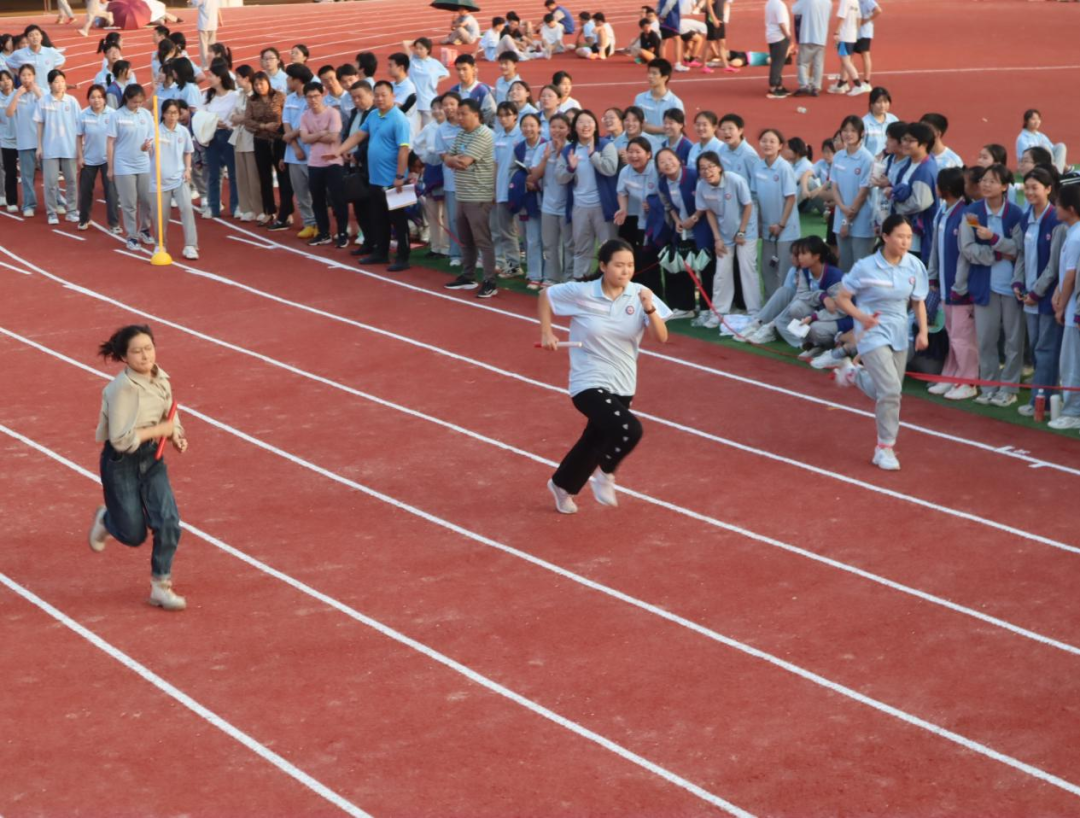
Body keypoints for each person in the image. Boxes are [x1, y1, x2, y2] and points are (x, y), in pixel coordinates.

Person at [539, 238, 671, 514]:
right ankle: (606, 474)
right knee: (629, 429)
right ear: (603, 266)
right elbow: (545, 296)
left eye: (630, 265)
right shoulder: (583, 292)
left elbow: (661, 337)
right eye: (619, 265)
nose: (626, 271)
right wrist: (546, 331)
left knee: (595, 439)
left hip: (623, 382)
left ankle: (562, 485)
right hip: (587, 381)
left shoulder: (640, 293)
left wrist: (649, 307)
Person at [89, 324, 189, 611]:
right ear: (124, 356)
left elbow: (170, 412)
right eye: (137, 351)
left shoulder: (162, 379)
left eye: (149, 348)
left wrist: (176, 435)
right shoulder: (122, 389)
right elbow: (120, 440)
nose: (145, 356)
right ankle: (107, 521)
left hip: (153, 459)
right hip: (122, 463)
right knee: (133, 534)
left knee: (168, 521)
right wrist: (162, 428)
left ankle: (161, 585)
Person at [833, 215, 929, 471]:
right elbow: (842, 298)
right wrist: (862, 317)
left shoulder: (915, 266)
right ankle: (884, 448)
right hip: (871, 334)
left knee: (885, 391)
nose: (905, 241)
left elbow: (918, 301)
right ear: (885, 237)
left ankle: (854, 375)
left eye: (909, 237)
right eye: (900, 236)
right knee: (890, 391)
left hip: (900, 333)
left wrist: (923, 332)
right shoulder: (866, 267)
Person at [955, 163, 1025, 407]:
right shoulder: (973, 212)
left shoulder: (1016, 214)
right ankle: (989, 386)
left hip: (1012, 286)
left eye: (992, 181)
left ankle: (1009, 388)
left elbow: (1018, 249)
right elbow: (967, 249)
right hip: (985, 286)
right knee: (986, 339)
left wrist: (994, 240)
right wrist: (996, 254)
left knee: (1014, 341)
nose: (985, 184)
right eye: (984, 180)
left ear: (1005, 186)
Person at [332, 80, 412, 270]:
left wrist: (400, 176)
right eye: (377, 95)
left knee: (398, 220)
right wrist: (338, 151)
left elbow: (404, 150)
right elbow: (358, 135)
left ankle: (403, 257)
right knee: (379, 218)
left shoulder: (399, 119)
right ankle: (381, 253)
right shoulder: (374, 115)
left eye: (384, 95)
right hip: (375, 178)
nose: (379, 98)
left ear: (393, 96)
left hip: (395, 180)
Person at [1013, 166, 1064, 417]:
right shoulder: (1026, 218)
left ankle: (1039, 401)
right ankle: (1048, 396)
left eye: (1035, 187)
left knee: (1045, 350)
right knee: (1036, 349)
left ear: (1048, 189)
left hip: (1045, 299)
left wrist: (1036, 292)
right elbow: (1022, 254)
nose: (1030, 192)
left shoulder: (1056, 220)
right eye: (1027, 186)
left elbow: (1054, 266)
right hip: (1029, 297)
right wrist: (1018, 283)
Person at [926, 166, 978, 401]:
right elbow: (937, 247)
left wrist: (960, 285)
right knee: (951, 333)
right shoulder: (944, 212)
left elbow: (967, 255)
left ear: (943, 189)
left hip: (960, 289)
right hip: (945, 287)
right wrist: (933, 275)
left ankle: (968, 380)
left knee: (962, 336)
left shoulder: (966, 215)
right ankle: (951, 375)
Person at [693, 150, 758, 323]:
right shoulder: (701, 185)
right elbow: (709, 211)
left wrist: (742, 231)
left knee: (747, 269)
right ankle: (720, 312)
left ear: (720, 168)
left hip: (746, 231)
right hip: (724, 232)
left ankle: (754, 311)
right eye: (702, 168)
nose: (707, 171)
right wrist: (717, 238)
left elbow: (748, 205)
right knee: (721, 271)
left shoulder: (735, 180)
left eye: (711, 166)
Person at [557, 109, 619, 281]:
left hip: (603, 207)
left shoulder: (606, 145)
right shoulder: (568, 151)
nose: (586, 126)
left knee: (609, 249)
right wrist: (570, 168)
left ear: (595, 126)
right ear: (574, 127)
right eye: (581, 122)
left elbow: (610, 169)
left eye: (589, 122)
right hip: (580, 207)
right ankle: (579, 284)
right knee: (582, 249)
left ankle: (610, 284)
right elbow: (560, 178)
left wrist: (593, 155)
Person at [443, 98, 498, 296]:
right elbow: (448, 158)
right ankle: (468, 275)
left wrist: (454, 160)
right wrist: (452, 160)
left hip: (478, 195)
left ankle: (490, 280)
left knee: (483, 240)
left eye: (463, 114)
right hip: (462, 194)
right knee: (465, 239)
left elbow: (463, 161)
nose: (459, 118)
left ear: (476, 115)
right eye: (458, 114)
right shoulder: (461, 134)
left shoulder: (484, 134)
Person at [107, 84, 155, 251]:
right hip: (123, 165)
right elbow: (111, 142)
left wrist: (148, 148)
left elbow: (151, 138)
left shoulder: (146, 115)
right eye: (135, 102)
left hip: (144, 164)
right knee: (129, 203)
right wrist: (111, 168)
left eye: (140, 102)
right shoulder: (117, 116)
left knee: (147, 200)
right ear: (127, 98)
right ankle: (132, 236)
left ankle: (145, 229)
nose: (138, 105)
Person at [754, 128, 800, 299]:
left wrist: (781, 224)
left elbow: (790, 198)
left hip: (785, 229)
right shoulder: (757, 166)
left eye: (772, 141)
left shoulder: (784, 168)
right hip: (767, 229)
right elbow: (755, 198)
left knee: (785, 271)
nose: (767, 144)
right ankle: (771, 308)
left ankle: (786, 308)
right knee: (767, 269)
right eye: (764, 140)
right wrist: (758, 225)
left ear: (780, 146)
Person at [1048, 185, 1080, 431]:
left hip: (1073, 313)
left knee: (1071, 364)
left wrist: (1061, 307)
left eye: (1058, 203)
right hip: (1071, 308)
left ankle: (1072, 412)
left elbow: (1071, 276)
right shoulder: (1073, 233)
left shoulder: (1077, 236)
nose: (1055, 207)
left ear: (1070, 209)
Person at [150, 98, 198, 259]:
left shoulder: (183, 131)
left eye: (175, 113)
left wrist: (188, 169)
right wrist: (146, 147)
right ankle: (160, 244)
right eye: (169, 113)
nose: (172, 116)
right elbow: (146, 148)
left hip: (179, 178)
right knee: (160, 215)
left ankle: (191, 245)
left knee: (186, 209)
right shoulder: (155, 131)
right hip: (159, 181)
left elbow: (188, 151)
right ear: (163, 114)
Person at [530, 112, 573, 286]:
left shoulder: (572, 148)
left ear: (568, 130)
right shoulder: (543, 148)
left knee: (570, 246)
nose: (557, 131)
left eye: (561, 127)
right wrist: (546, 158)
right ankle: (551, 278)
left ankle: (569, 279)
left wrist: (562, 152)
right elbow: (534, 176)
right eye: (553, 127)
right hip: (548, 205)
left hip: (568, 206)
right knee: (550, 244)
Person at [33, 68, 79, 227]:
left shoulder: (72, 101)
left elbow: (79, 125)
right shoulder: (43, 101)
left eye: (62, 81)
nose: (60, 85)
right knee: (51, 182)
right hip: (50, 148)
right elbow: (39, 124)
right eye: (56, 82)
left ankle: (72, 211)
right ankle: (51, 212)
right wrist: (39, 146)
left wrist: (80, 147)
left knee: (72, 181)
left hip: (69, 147)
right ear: (49, 84)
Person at [888, 122, 939, 263]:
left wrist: (895, 205)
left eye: (910, 141)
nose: (904, 143)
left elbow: (919, 203)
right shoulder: (911, 163)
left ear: (924, 144)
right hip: (905, 231)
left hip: (915, 238)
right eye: (904, 139)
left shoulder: (926, 169)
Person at [277, 63, 317, 238]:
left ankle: (319, 223)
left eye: (288, 78)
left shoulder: (311, 98)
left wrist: (291, 135)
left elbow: (307, 122)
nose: (286, 80)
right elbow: (285, 120)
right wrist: (293, 144)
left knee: (315, 191)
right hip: (293, 153)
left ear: (297, 79)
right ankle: (309, 223)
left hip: (311, 152)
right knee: (300, 192)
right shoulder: (290, 98)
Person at [831, 114, 875, 271]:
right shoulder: (838, 156)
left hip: (861, 222)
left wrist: (846, 219)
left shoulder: (866, 158)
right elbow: (834, 186)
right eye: (845, 130)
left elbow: (863, 193)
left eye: (852, 130)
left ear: (861, 133)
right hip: (841, 218)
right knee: (845, 267)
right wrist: (842, 209)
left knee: (861, 268)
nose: (848, 134)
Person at [76, 84, 118, 232]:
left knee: (111, 192)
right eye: (93, 97)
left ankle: (114, 223)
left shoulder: (113, 114)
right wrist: (80, 157)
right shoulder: (83, 115)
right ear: (88, 99)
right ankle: (84, 219)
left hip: (108, 159)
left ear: (104, 99)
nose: (96, 100)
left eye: (99, 97)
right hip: (89, 159)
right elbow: (78, 136)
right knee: (85, 190)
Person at [243, 70, 283, 225]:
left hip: (279, 141)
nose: (259, 87)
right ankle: (269, 211)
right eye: (256, 84)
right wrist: (264, 126)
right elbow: (248, 121)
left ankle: (286, 211)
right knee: (264, 178)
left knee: (283, 177)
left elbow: (285, 117)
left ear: (268, 82)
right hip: (261, 141)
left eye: (262, 83)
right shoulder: (251, 100)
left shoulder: (279, 97)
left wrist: (278, 127)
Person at [512, 112, 546, 288]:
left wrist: (537, 182)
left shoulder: (546, 145)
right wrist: (525, 181)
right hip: (527, 196)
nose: (528, 129)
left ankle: (545, 275)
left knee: (545, 239)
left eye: (532, 125)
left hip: (544, 196)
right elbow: (517, 170)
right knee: (530, 237)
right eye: (524, 125)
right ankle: (535, 273)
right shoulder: (519, 148)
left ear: (539, 127)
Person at [5, 64, 44, 217]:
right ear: (19, 78)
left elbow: (47, 109)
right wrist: (17, 95)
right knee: (27, 177)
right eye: (23, 75)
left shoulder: (42, 92)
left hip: (43, 142)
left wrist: (37, 92)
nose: (26, 78)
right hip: (24, 142)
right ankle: (29, 204)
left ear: (34, 76)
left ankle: (54, 203)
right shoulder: (15, 93)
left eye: (29, 75)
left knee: (50, 177)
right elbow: (9, 113)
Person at [202, 62, 239, 219]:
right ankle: (213, 206)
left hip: (230, 136)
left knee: (233, 174)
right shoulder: (207, 96)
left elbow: (238, 114)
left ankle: (236, 206)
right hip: (212, 137)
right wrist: (215, 122)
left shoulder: (235, 95)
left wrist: (227, 123)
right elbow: (200, 115)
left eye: (211, 75)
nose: (208, 78)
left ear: (220, 77)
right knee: (213, 174)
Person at [492, 101, 522, 278]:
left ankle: (519, 263)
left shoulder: (521, 135)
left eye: (507, 115)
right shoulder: (498, 137)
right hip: (502, 190)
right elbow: (495, 164)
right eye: (500, 116)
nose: (503, 119)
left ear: (515, 116)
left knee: (525, 231)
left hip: (518, 190)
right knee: (505, 229)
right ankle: (511, 263)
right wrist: (494, 189)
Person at [228, 65, 260, 222]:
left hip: (252, 138)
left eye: (238, 77)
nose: (236, 80)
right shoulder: (239, 95)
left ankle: (258, 208)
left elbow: (252, 117)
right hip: (239, 137)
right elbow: (233, 116)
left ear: (247, 78)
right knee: (241, 175)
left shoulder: (255, 95)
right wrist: (240, 118)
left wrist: (241, 118)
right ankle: (245, 207)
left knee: (253, 176)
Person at [633, 58, 683, 152]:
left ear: (665, 77)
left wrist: (648, 127)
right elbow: (639, 126)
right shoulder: (639, 99)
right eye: (649, 73)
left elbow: (677, 129)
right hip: (644, 147)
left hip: (667, 149)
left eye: (654, 73)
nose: (650, 76)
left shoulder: (675, 103)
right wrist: (666, 129)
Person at [792, 0, 829, 96]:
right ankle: (816, 87)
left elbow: (794, 10)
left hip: (807, 36)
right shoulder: (828, 2)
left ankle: (804, 84)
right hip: (821, 37)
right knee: (818, 64)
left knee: (802, 63)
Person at [410, 37, 449, 129]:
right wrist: (415, 41)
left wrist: (435, 80)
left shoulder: (434, 63)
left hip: (428, 101)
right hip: (414, 103)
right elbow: (405, 44)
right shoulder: (412, 60)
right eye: (416, 48)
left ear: (428, 49)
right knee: (414, 131)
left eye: (421, 48)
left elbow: (446, 74)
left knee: (428, 129)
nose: (418, 50)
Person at [1016, 108, 1068, 174]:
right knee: (1044, 147)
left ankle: (1057, 172)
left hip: (1046, 164)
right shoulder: (1022, 138)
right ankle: (1058, 171)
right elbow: (1027, 157)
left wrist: (1060, 162)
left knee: (1061, 146)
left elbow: (1053, 150)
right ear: (1026, 121)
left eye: (1038, 119)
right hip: (1031, 166)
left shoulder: (1041, 135)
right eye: (1033, 119)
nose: (1037, 121)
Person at [449, 54, 496, 126]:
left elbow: (491, 110)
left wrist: (477, 125)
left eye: (464, 69)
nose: (461, 73)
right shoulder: (453, 91)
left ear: (473, 69)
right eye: (458, 69)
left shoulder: (482, 90)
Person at [763, 0, 793, 99]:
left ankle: (779, 85)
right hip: (780, 37)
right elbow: (782, 24)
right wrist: (788, 36)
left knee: (776, 61)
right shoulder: (780, 5)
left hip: (771, 36)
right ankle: (773, 87)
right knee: (778, 63)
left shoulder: (769, 3)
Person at [387, 52, 420, 137]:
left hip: (405, 131)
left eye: (391, 66)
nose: (388, 69)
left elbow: (394, 107)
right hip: (393, 128)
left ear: (401, 67)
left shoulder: (408, 87)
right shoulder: (391, 85)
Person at [852, 0, 881, 93]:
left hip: (864, 32)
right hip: (856, 32)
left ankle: (866, 82)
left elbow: (878, 10)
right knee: (849, 55)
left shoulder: (867, 1)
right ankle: (844, 80)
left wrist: (866, 20)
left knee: (865, 55)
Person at [861, 87, 897, 159]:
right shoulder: (864, 123)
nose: (882, 105)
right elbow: (861, 148)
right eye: (878, 102)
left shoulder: (893, 120)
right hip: (871, 164)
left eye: (885, 101)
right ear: (871, 104)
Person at [189, 0, 222, 69]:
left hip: (203, 24)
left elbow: (195, 3)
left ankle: (205, 65)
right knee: (212, 46)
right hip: (213, 24)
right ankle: (213, 63)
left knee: (203, 46)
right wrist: (220, 19)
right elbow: (217, 9)